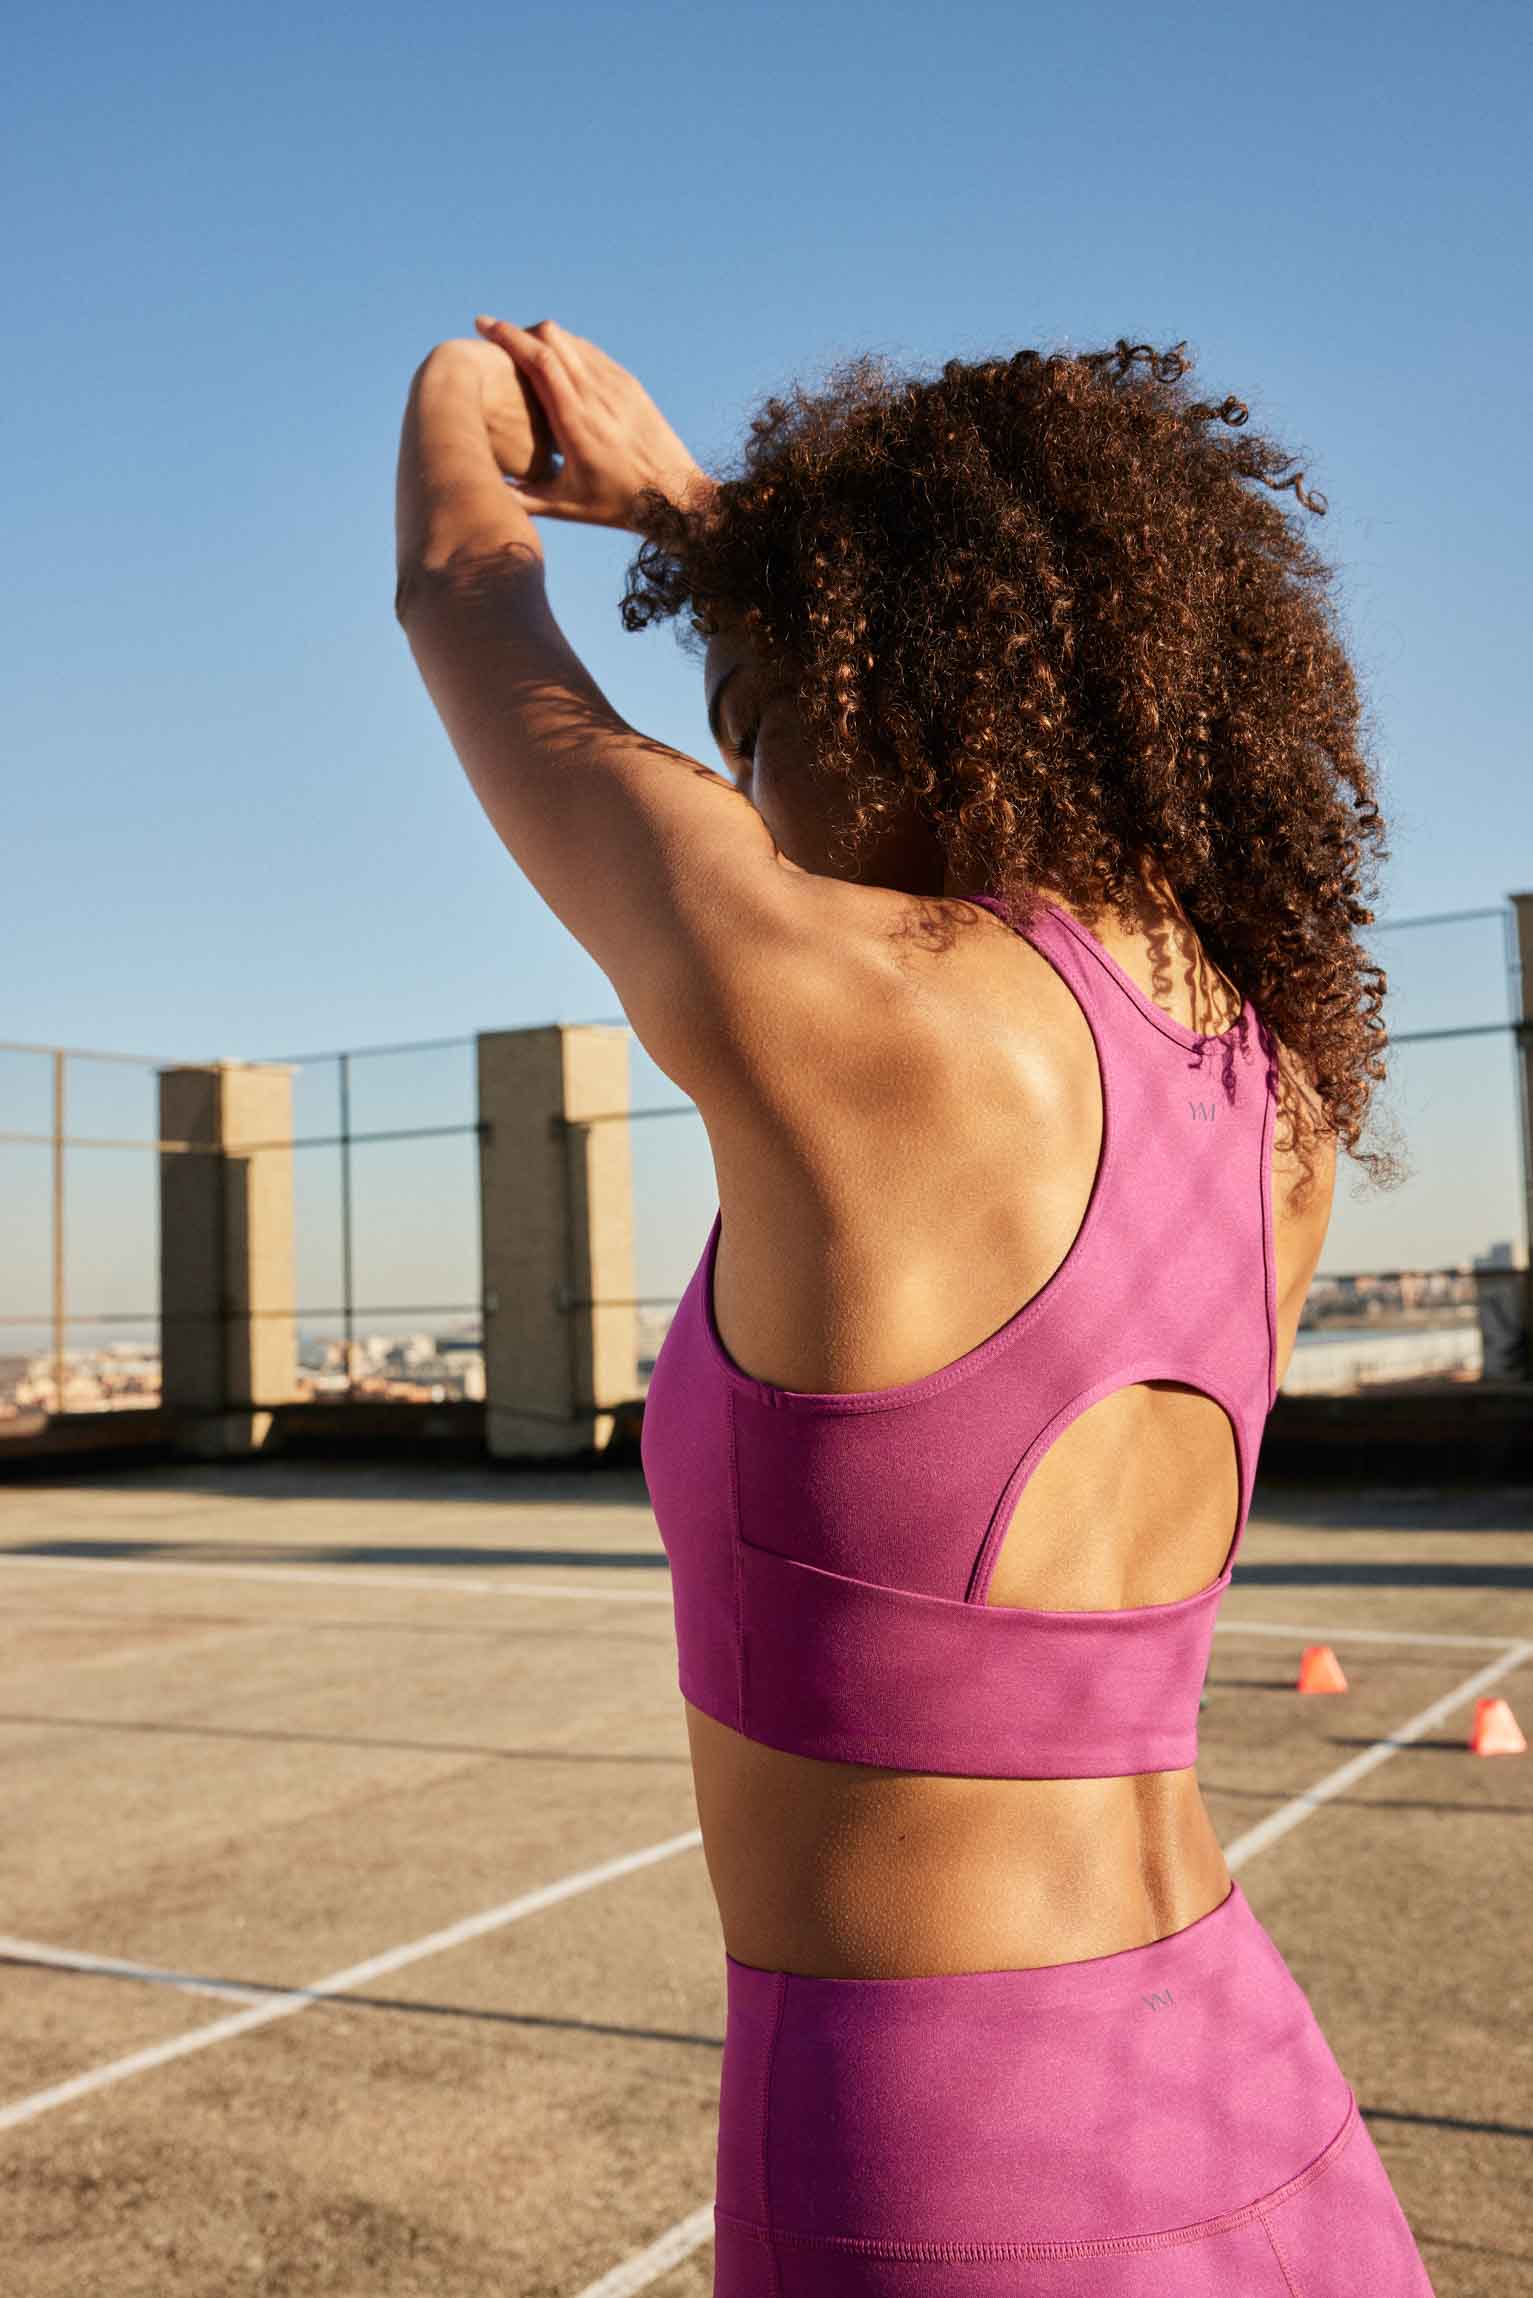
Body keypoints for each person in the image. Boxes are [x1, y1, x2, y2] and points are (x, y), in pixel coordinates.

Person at [395, 320, 1434, 2295]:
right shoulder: (1264, 1082)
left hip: (940, 2161)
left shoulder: (857, 1017)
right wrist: (728, 538)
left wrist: (457, 391)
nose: (742, 784)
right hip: (1244, 2096)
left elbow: (460, 589)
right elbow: (985, 656)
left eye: (747, 718)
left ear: (889, 699)